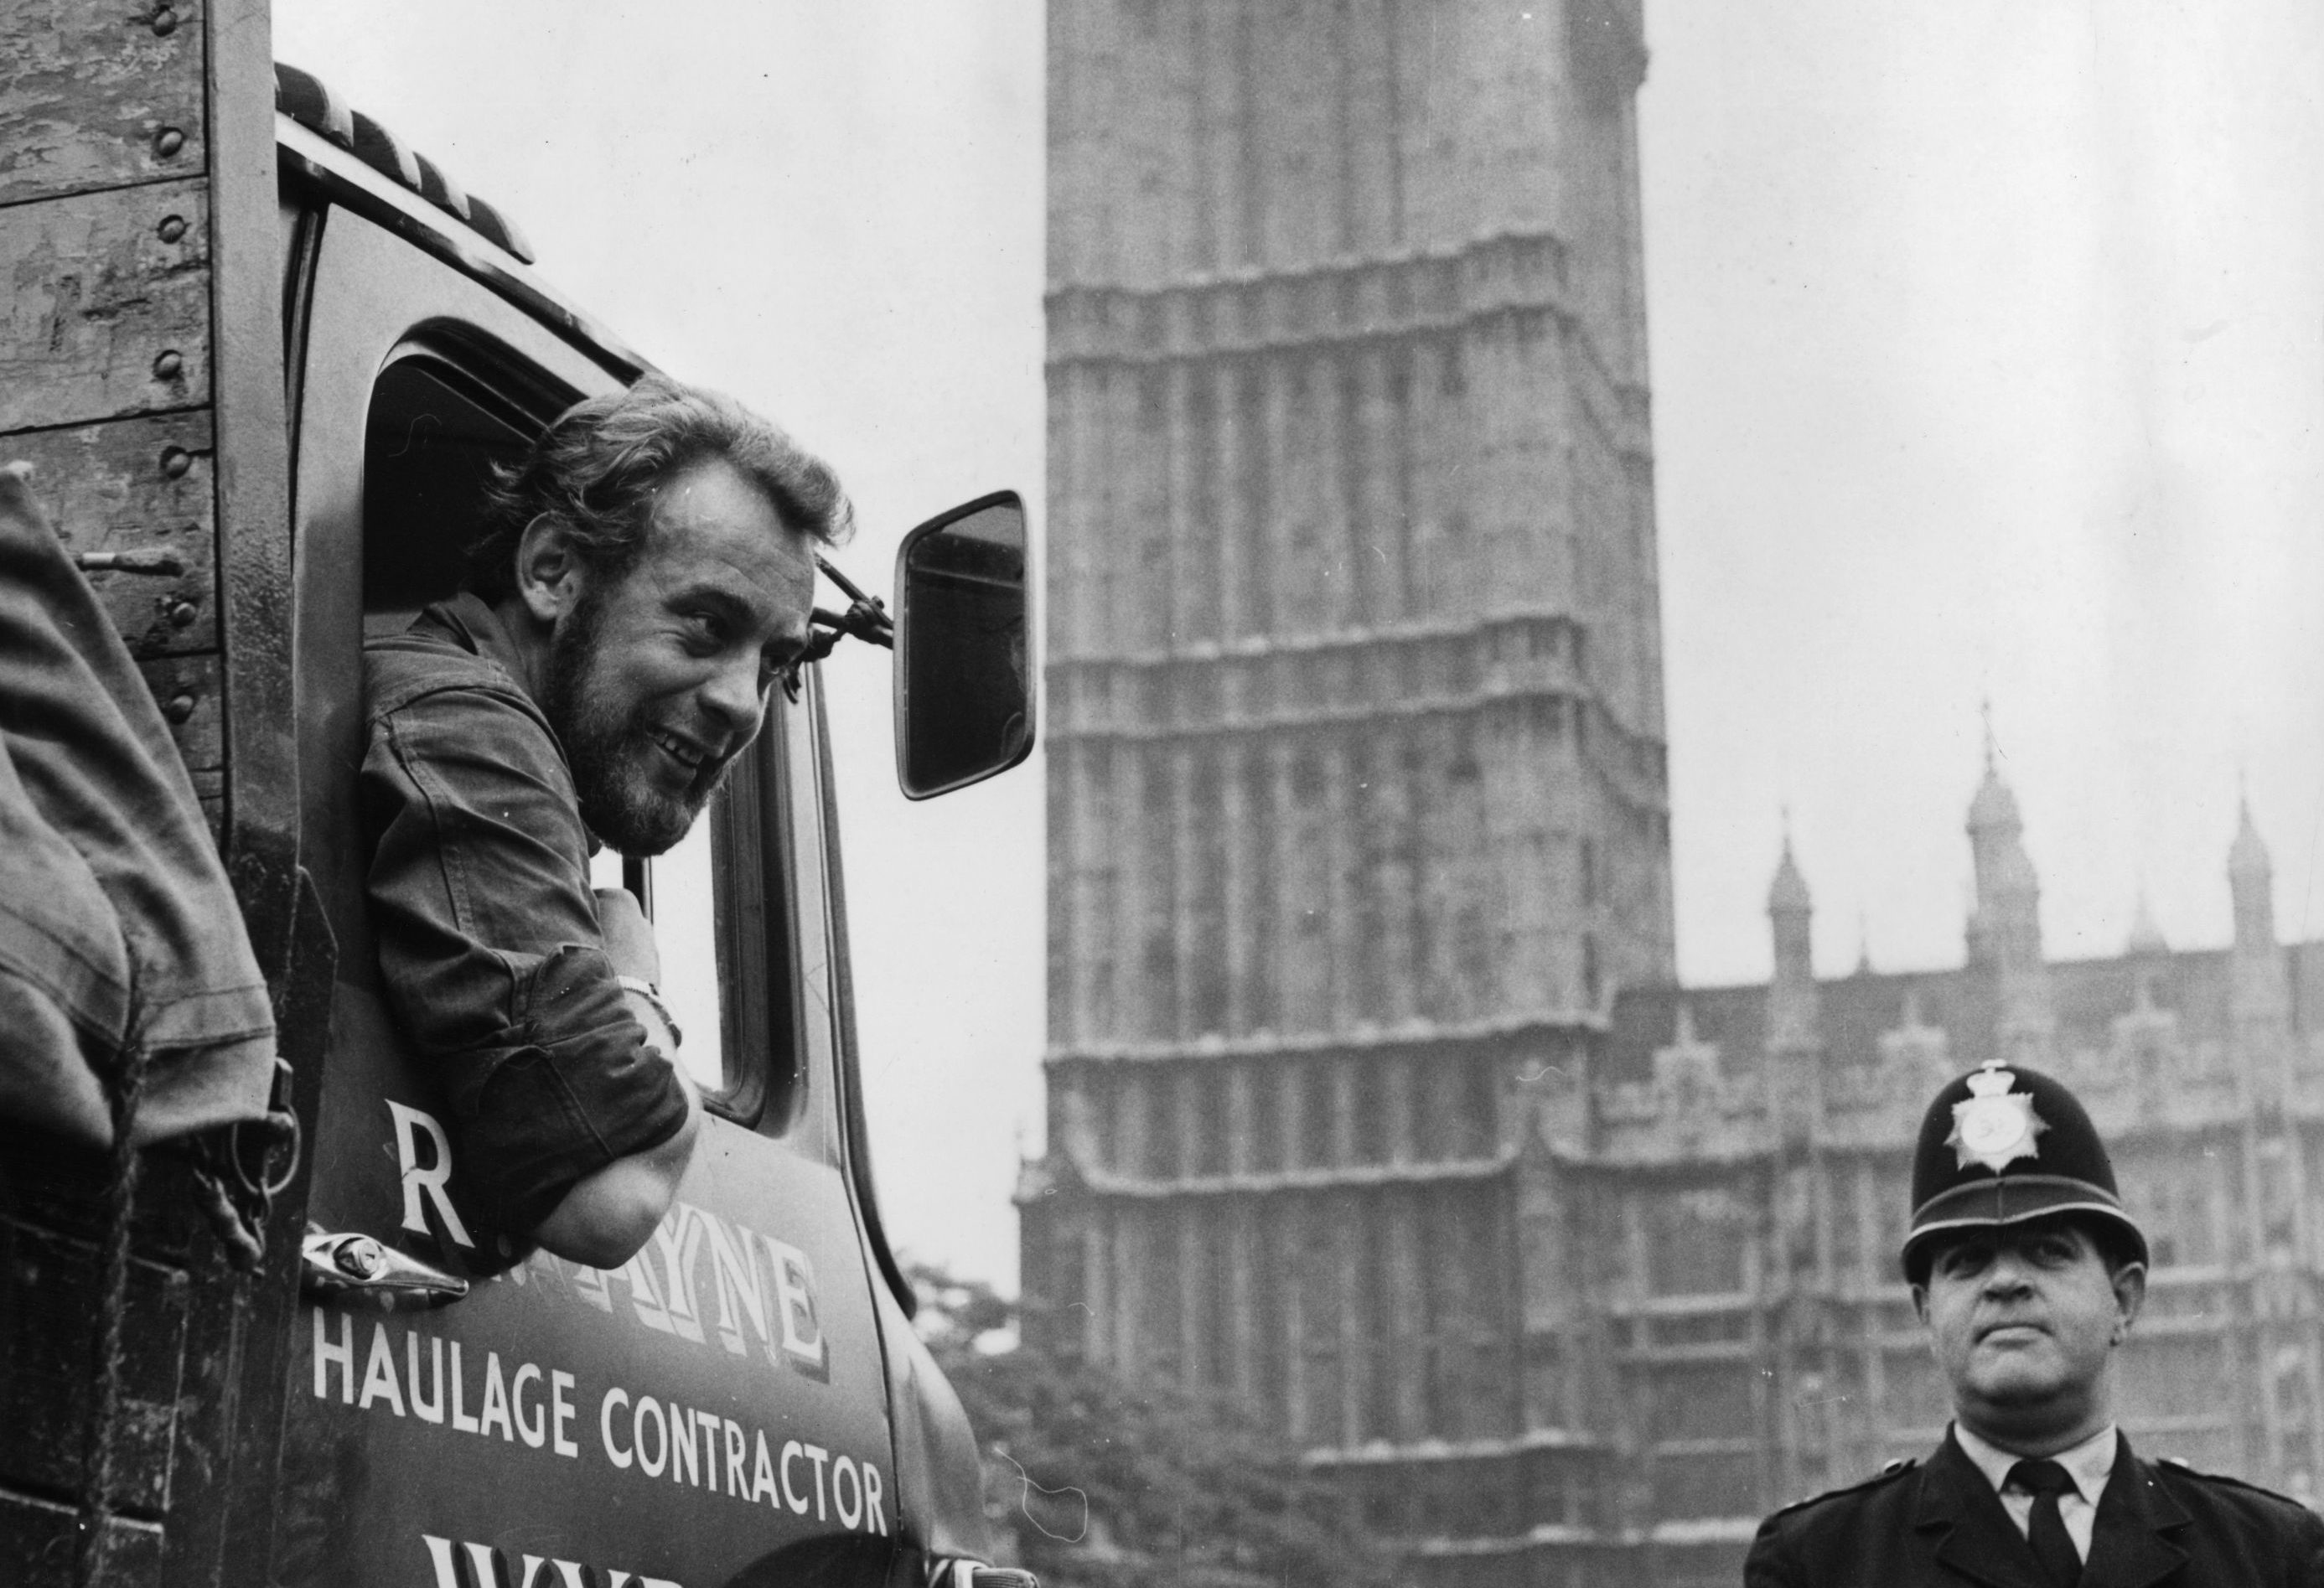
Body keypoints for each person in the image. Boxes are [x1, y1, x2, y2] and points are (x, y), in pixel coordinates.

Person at [360, 375, 850, 1267]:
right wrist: (634, 981)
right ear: (552, 572)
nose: (743, 704)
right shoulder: (469, 724)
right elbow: (608, 1196)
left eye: (774, 663)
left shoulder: (448, 702)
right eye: (705, 625)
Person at [1745, 1058, 2324, 1586]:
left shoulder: (2268, 1553)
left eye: (2047, 1250)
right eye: (1968, 1259)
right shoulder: (1819, 1562)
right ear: (1925, 1312)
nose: (2004, 1281)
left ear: (2123, 1299)